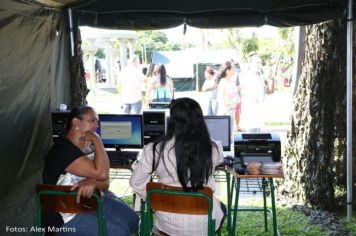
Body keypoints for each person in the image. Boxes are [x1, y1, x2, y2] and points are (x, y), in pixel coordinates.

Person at [130, 98, 226, 236]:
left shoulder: (153, 149)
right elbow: (216, 161)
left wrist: (157, 198)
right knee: (221, 208)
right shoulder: (214, 149)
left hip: (167, 224)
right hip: (203, 225)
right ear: (200, 120)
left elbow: (136, 182)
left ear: (172, 120)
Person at [42, 106, 139, 235]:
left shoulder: (88, 149)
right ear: (76, 123)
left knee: (133, 219)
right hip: (66, 214)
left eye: (97, 122)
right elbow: (102, 174)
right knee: (119, 232)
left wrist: (92, 181)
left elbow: (105, 183)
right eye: (92, 121)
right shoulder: (62, 150)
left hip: (90, 202)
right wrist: (97, 139)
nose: (97, 125)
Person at [240, 53, 265, 132]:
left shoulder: (258, 76)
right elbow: (245, 93)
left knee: (258, 134)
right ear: (251, 64)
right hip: (250, 111)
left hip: (258, 111)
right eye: (257, 63)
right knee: (251, 136)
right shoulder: (247, 75)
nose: (259, 65)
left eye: (260, 63)